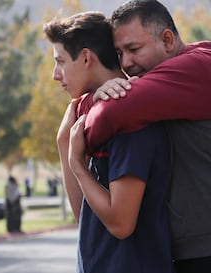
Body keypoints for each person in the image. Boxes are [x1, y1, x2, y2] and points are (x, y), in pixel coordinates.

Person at [78, 1, 211, 272]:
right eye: (119, 54)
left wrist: (83, 108)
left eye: (134, 49)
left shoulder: (196, 68)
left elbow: (109, 115)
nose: (126, 64)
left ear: (167, 40)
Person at [44, 11, 174, 273]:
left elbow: (120, 224)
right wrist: (65, 140)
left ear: (86, 57)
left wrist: (78, 166)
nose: (55, 75)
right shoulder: (92, 118)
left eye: (60, 61)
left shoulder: (129, 118)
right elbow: (85, 216)